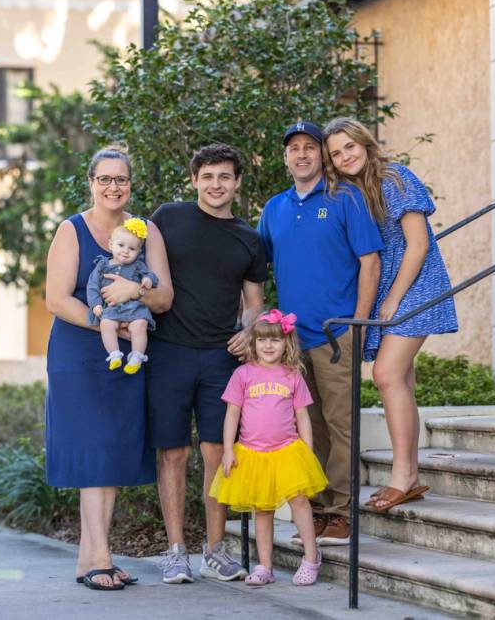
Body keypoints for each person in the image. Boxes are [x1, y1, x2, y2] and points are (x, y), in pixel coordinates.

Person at [44, 145, 173, 590]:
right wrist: (108, 322)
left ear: (130, 185)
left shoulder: (146, 231)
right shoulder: (71, 229)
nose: (113, 187)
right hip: (79, 353)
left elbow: (164, 297)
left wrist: (134, 295)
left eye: (121, 179)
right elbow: (56, 299)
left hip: (126, 354)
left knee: (112, 451)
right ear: (91, 182)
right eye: (105, 179)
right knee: (92, 449)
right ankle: (100, 556)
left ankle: (89, 557)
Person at [322, 117, 458, 513]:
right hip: (389, 288)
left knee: (386, 374)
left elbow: (417, 245)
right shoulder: (350, 190)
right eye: (336, 153)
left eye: (350, 146)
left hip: (416, 285)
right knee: (402, 379)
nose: (345, 156)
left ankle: (403, 477)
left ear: (365, 144)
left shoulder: (396, 178)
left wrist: (393, 299)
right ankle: (410, 474)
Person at [258, 121, 383, 545]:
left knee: (341, 424)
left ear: (321, 155)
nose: (302, 155)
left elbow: (370, 261)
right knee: (304, 428)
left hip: (336, 334)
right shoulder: (273, 208)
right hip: (291, 340)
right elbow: (259, 270)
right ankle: (313, 509)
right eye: (294, 148)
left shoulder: (346, 198)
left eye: (310, 147)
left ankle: (341, 511)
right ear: (286, 157)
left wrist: (359, 323)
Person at [147, 143, 267, 584]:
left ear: (236, 182)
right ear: (195, 180)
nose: (216, 185)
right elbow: (136, 265)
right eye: (208, 176)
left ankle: (214, 550)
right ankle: (175, 549)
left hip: (222, 357)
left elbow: (254, 303)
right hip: (169, 352)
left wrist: (250, 329)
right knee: (173, 453)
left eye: (225, 177)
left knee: (217, 452)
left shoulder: (250, 239)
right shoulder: (167, 218)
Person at [209, 310, 328, 586]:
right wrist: (228, 449)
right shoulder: (242, 375)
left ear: (287, 343)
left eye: (275, 340)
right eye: (262, 340)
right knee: (262, 510)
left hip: (287, 450)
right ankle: (265, 566)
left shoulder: (293, 376)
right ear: (253, 343)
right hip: (252, 452)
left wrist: (307, 452)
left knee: (299, 501)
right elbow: (232, 414)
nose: (268, 346)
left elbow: (302, 417)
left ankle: (311, 557)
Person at [86, 217, 160, 374]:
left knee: (140, 324)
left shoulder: (138, 265)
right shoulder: (102, 265)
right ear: (111, 245)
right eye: (121, 245)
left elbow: (151, 276)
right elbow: (92, 286)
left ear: (138, 252)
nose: (126, 251)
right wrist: (96, 304)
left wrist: (147, 279)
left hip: (134, 308)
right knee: (106, 324)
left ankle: (137, 357)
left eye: (132, 249)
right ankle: (114, 354)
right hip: (112, 308)